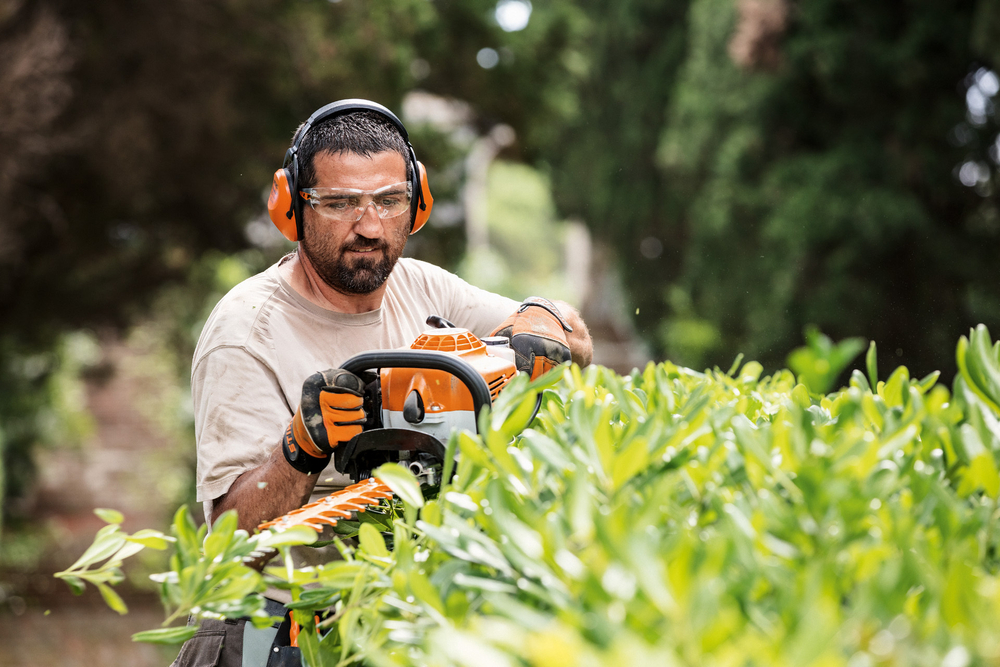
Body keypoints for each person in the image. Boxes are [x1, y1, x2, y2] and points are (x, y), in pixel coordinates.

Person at [171, 100, 592, 666]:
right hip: (271, 631)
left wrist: (537, 328)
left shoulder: (420, 287)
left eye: (389, 202)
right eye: (341, 204)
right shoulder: (246, 333)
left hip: (389, 619)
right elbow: (228, 547)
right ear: (293, 208)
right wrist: (302, 447)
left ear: (416, 205)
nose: (370, 227)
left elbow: (574, 333)